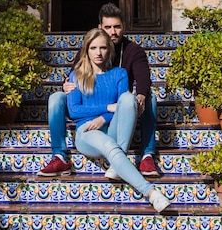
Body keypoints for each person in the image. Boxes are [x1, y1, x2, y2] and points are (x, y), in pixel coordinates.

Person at [38, 3, 160, 178]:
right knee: (57, 98)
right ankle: (59, 156)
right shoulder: (90, 47)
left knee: (150, 98)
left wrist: (140, 95)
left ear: (123, 27)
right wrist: (65, 85)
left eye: (117, 27)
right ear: (100, 28)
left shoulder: (133, 51)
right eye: (108, 27)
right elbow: (74, 75)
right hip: (95, 106)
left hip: (119, 109)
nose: (113, 32)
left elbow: (143, 78)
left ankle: (147, 154)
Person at [61, 28, 170, 213]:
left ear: (109, 49)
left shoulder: (119, 74)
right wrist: (107, 108)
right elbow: (74, 110)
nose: (98, 53)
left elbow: (124, 107)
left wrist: (104, 117)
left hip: (111, 128)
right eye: (93, 48)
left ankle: (116, 166)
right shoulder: (76, 75)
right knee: (112, 146)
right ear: (86, 50)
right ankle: (151, 193)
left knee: (128, 99)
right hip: (87, 131)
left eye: (103, 47)